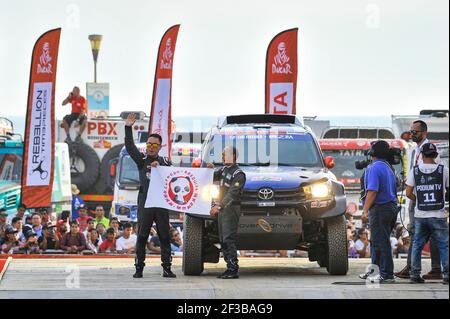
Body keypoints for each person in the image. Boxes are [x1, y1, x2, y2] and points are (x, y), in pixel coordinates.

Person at [124, 113, 175, 278]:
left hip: (161, 206)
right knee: (142, 237)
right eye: (149, 143)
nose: (151, 147)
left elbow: (178, 179)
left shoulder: (166, 163)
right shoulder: (141, 160)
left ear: (160, 147)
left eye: (155, 144)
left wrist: (208, 170)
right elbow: (130, 147)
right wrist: (128, 128)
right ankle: (139, 268)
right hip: (145, 204)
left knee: (165, 237)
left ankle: (167, 268)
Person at [396, 120, 443, 280]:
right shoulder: (415, 149)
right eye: (411, 131)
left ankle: (431, 268)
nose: (412, 134)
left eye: (415, 132)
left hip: (422, 197)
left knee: (425, 234)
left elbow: (433, 173)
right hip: (415, 195)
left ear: (424, 132)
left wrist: (419, 196)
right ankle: (411, 267)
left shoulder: (430, 150)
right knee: (416, 233)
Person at [405, 143, 449, 285]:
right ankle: (447, 275)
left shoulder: (415, 171)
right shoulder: (444, 170)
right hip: (439, 215)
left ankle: (414, 274)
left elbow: (408, 193)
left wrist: (418, 200)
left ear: (422, 155)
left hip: (421, 215)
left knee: (417, 244)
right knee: (444, 245)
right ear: (436, 155)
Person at [359, 140, 398, 283]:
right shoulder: (388, 167)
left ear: (373, 152)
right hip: (391, 207)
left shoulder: (374, 168)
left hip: (380, 208)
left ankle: (387, 274)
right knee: (377, 241)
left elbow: (372, 191)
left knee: (381, 242)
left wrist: (365, 210)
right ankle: (373, 272)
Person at [208, 146, 246, 279]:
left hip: (231, 209)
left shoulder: (238, 174)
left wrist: (219, 206)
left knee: (229, 239)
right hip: (223, 209)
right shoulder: (224, 169)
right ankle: (228, 267)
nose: (223, 156)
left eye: (226, 154)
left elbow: (232, 194)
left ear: (234, 156)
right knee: (223, 239)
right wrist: (209, 169)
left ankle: (233, 269)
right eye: (222, 154)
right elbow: (210, 176)